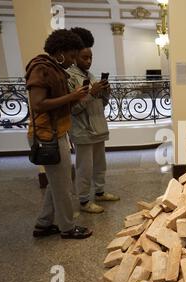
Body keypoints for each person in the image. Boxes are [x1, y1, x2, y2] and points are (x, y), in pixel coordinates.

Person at [26, 29, 92, 239]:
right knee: (63, 184)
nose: (73, 61)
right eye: (72, 56)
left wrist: (76, 97)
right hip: (47, 134)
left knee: (57, 181)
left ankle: (43, 224)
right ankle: (67, 227)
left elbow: (58, 102)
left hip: (58, 131)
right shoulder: (41, 68)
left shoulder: (55, 68)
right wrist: (71, 96)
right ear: (60, 52)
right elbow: (38, 104)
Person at [68, 27, 120, 214]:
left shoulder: (90, 76)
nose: (88, 61)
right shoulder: (71, 77)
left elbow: (101, 105)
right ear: (75, 57)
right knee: (84, 168)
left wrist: (105, 93)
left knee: (100, 164)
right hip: (82, 131)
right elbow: (73, 109)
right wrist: (91, 93)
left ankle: (99, 192)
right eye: (84, 58)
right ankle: (83, 201)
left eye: (90, 58)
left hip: (97, 127)